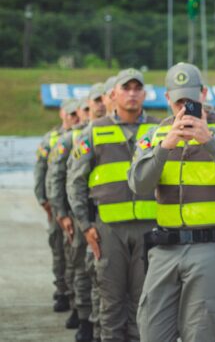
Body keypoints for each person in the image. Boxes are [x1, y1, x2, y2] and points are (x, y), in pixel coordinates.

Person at [128, 62, 215, 342]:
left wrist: (211, 143)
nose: (185, 109)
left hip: (210, 249)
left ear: (204, 94)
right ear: (167, 99)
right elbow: (138, 185)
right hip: (164, 249)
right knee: (152, 331)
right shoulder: (155, 134)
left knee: (199, 334)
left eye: (191, 100)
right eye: (179, 102)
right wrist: (164, 148)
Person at [66, 69, 161, 342]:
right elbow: (76, 182)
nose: (132, 93)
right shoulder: (94, 131)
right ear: (113, 94)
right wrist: (85, 226)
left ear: (144, 94)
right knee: (111, 302)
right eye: (126, 88)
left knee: (144, 302)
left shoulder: (157, 129)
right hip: (108, 231)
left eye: (137, 88)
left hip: (150, 230)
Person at [48, 83, 105, 340]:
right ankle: (83, 315)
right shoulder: (75, 138)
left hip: (114, 218)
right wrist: (62, 212)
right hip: (84, 216)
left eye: (105, 98)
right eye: (96, 100)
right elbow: (59, 177)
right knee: (81, 267)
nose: (102, 104)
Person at [36, 98, 81, 313]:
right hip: (57, 204)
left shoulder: (81, 135)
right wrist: (44, 200)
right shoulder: (52, 139)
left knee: (71, 251)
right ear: (62, 114)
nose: (75, 118)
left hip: (74, 205)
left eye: (77, 113)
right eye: (71, 114)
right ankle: (62, 288)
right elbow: (43, 172)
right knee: (59, 248)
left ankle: (69, 291)